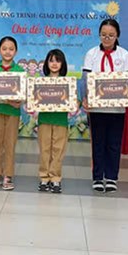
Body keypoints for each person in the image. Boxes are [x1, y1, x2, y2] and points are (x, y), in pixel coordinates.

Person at [82, 18, 128, 193]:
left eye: (111, 35)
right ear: (99, 35)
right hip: (96, 108)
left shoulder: (124, 55)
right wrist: (85, 98)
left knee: (114, 143)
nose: (107, 38)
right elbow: (85, 78)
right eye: (103, 35)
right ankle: (97, 176)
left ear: (117, 35)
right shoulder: (92, 53)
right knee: (98, 143)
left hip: (117, 109)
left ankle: (111, 177)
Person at [0, 36, 24, 191]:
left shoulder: (20, 71)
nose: (8, 52)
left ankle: (8, 175)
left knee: (10, 144)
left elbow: (23, 94)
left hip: (12, 112)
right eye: (4, 49)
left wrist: (20, 100)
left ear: (16, 52)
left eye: (11, 49)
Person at [37, 49, 73, 194]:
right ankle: (44, 178)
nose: (54, 64)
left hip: (61, 120)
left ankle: (55, 178)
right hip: (44, 119)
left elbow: (74, 100)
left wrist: (75, 102)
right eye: (51, 60)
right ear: (46, 63)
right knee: (44, 149)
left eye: (58, 61)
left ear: (63, 64)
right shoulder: (40, 82)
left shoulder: (68, 83)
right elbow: (34, 99)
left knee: (58, 150)